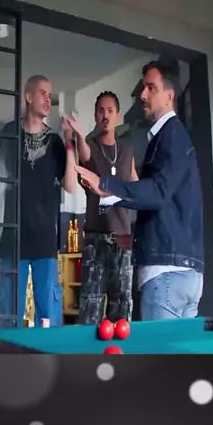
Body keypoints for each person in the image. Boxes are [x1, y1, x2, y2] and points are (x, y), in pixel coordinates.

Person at [76, 60, 204, 321]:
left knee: (158, 350)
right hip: (182, 273)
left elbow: (158, 191)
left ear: (169, 96)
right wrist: (137, 238)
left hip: (166, 276)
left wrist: (106, 185)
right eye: (143, 88)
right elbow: (168, 203)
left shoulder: (171, 136)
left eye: (151, 88)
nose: (142, 95)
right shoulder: (170, 137)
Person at [0, 75, 76, 326]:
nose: (48, 99)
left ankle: (46, 352)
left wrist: (69, 143)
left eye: (50, 95)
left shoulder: (54, 142)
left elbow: (70, 185)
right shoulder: (10, 133)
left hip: (44, 240)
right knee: (10, 313)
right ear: (28, 97)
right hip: (13, 238)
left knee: (48, 316)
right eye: (43, 93)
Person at [66, 92, 138, 324]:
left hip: (123, 238)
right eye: (101, 111)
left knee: (122, 306)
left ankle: (118, 346)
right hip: (95, 238)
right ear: (96, 116)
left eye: (110, 111)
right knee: (91, 306)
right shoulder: (90, 144)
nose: (105, 115)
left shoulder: (126, 148)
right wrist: (79, 135)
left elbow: (135, 183)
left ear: (117, 115)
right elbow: (86, 156)